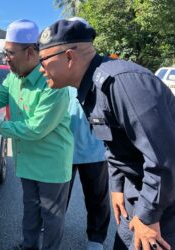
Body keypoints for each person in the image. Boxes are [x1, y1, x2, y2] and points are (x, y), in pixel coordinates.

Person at [38, 18, 175, 250]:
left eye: (44, 60)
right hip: (139, 193)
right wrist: (117, 187)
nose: (40, 69)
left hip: (164, 202)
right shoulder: (91, 87)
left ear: (69, 57)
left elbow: (165, 158)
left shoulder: (123, 83)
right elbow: (115, 146)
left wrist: (148, 215)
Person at [0, 19, 74, 250]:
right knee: (30, 209)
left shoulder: (53, 84)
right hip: (26, 159)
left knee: (51, 217)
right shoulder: (13, 78)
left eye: (9, 53)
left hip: (51, 164)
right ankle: (28, 246)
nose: (5, 58)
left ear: (30, 52)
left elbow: (36, 128)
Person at [67, 86, 110, 250]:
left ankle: (96, 237)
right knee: (57, 195)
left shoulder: (96, 80)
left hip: (94, 150)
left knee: (97, 197)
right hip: (63, 150)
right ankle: (49, 224)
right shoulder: (58, 78)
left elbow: (106, 114)